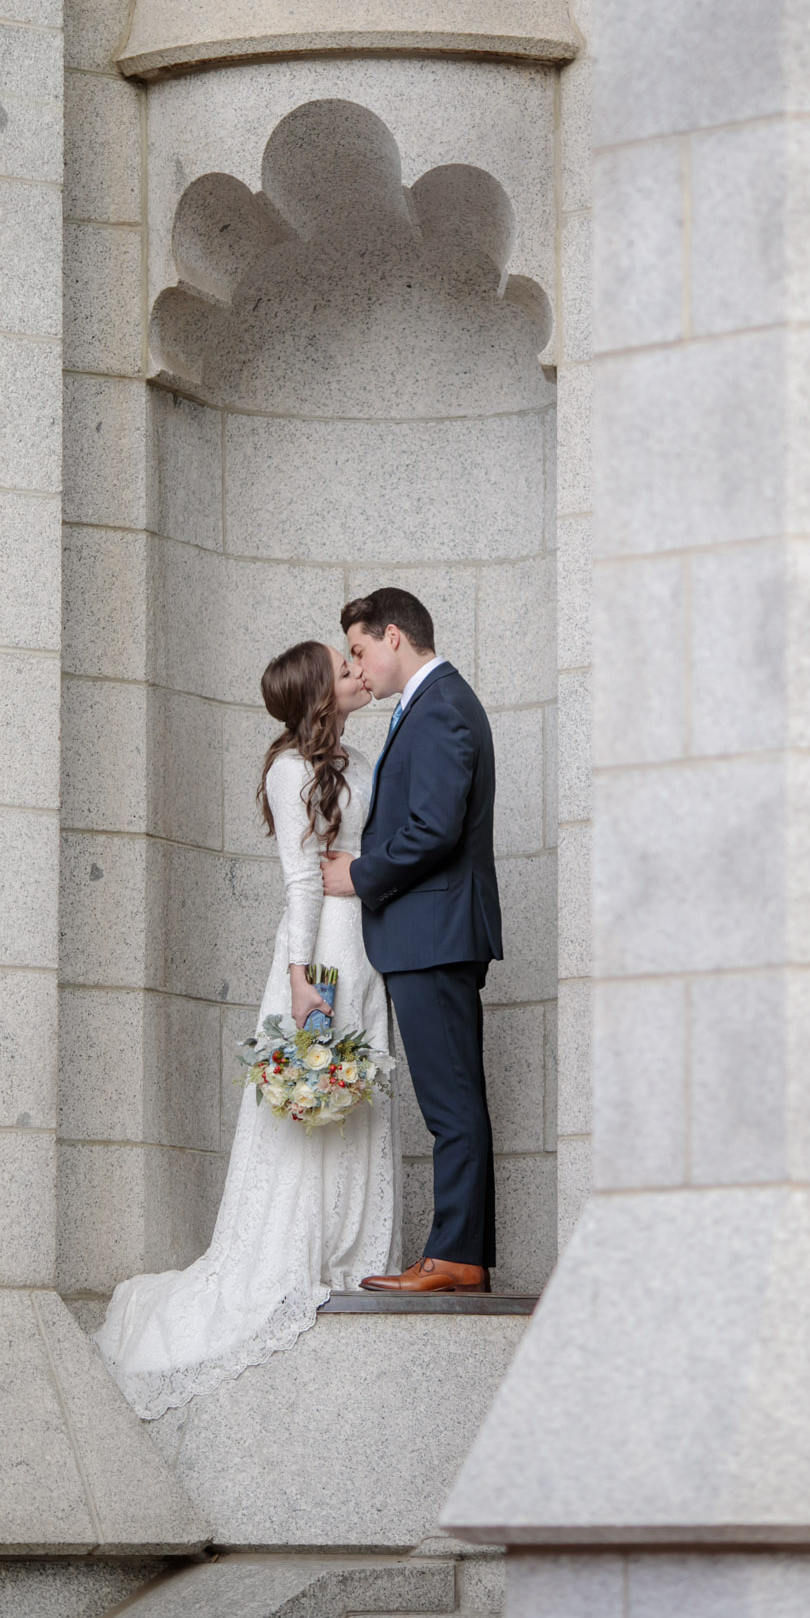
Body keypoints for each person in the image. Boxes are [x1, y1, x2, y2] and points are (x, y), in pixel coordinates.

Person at [94, 641, 399, 1418]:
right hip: (321, 953)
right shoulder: (289, 768)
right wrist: (301, 979)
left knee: (363, 1095)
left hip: (366, 952)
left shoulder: (362, 760)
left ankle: (356, 1252)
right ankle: (294, 1258)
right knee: (316, 1096)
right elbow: (301, 880)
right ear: (318, 694)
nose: (357, 671)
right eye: (343, 666)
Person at [322, 586, 501, 1294]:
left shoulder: (442, 707)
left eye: (360, 651)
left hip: (435, 935)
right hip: (430, 935)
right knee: (452, 1099)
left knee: (450, 1104)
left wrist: (360, 876)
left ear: (393, 636)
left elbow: (434, 829)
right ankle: (463, 1254)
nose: (358, 668)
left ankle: (456, 1255)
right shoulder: (425, 706)